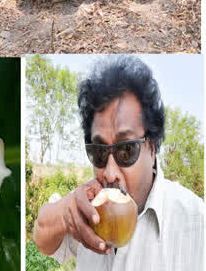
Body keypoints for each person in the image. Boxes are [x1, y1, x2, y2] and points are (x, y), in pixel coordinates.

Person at [32, 57, 204, 270]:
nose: (110, 173)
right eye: (99, 153)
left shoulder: (195, 222)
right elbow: (42, 239)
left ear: (151, 146)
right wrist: (64, 215)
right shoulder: (86, 207)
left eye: (126, 150)